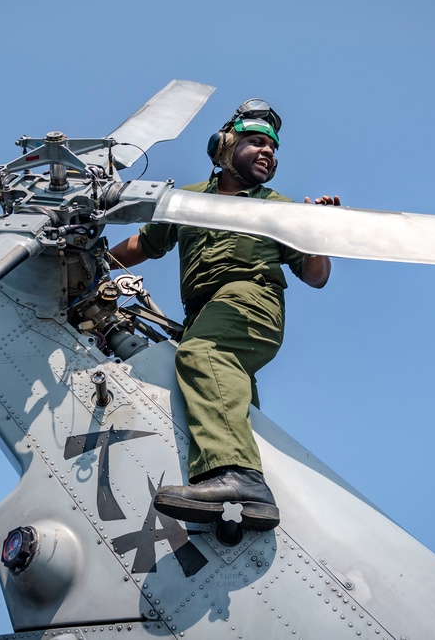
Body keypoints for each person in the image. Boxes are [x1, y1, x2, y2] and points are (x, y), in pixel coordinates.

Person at [108, 98, 340, 531]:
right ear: (224, 147)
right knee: (224, 396)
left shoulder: (278, 207)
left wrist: (317, 235)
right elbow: (145, 244)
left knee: (204, 355)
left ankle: (237, 478)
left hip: (250, 302)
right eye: (257, 143)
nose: (268, 152)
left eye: (273, 148)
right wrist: (99, 264)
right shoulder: (189, 200)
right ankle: (241, 509)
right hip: (203, 313)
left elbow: (316, 277)